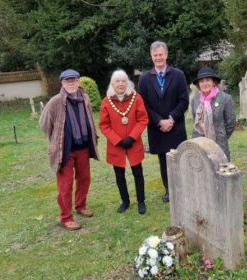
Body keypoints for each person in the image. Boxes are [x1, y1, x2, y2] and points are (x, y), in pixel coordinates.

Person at [39, 69, 99, 231]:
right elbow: (44, 123)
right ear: (62, 83)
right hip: (64, 150)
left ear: (78, 82)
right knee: (65, 185)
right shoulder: (56, 101)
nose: (71, 83)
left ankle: (80, 205)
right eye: (68, 81)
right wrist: (55, 139)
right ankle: (65, 217)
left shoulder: (85, 98)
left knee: (84, 178)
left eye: (74, 80)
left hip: (83, 147)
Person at [138, 41, 189, 202]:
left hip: (176, 125)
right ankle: (169, 189)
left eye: (161, 54)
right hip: (157, 127)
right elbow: (143, 104)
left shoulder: (178, 75)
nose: (158, 57)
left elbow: (184, 100)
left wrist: (171, 118)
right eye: (155, 55)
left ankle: (182, 187)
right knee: (163, 159)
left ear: (166, 55)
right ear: (151, 57)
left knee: (179, 158)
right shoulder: (145, 79)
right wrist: (159, 121)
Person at [99, 70, 149, 214]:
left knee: (138, 173)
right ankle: (125, 201)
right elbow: (104, 125)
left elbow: (143, 119)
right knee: (119, 175)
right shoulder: (106, 101)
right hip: (116, 145)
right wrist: (117, 140)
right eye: (117, 81)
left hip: (134, 143)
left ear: (128, 82)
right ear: (112, 83)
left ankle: (141, 201)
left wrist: (132, 137)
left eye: (123, 81)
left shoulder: (136, 97)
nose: (120, 84)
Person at [191, 67, 236, 161]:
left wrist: (221, 136)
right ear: (198, 84)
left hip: (219, 145)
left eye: (208, 80)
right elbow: (195, 119)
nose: (205, 83)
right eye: (201, 81)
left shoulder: (225, 98)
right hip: (199, 143)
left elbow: (231, 124)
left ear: (214, 82)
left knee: (221, 171)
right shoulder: (195, 99)